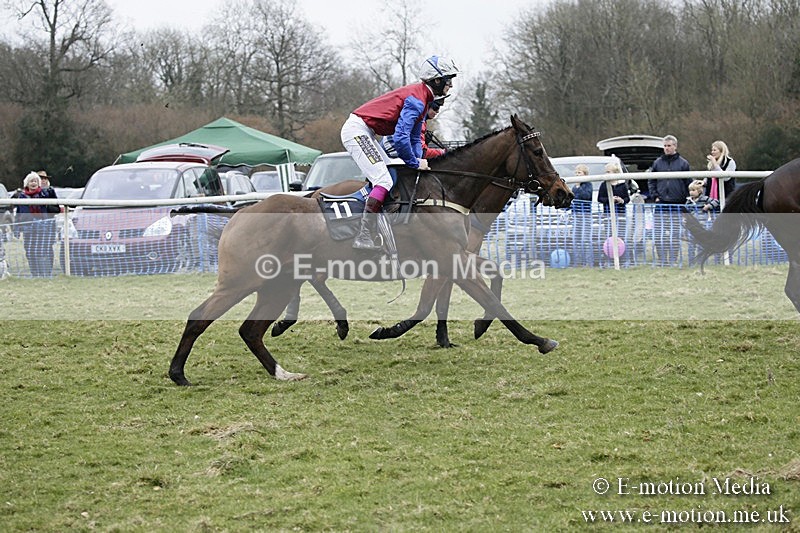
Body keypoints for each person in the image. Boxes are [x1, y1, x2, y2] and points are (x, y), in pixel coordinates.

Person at [342, 55, 458, 250]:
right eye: (449, 79)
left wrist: (418, 158)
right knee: (384, 180)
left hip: (366, 131)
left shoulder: (423, 97)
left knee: (391, 177)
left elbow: (413, 139)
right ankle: (363, 235)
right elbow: (400, 138)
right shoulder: (418, 100)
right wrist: (414, 162)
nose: (451, 85)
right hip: (357, 130)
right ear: (436, 80)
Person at [647, 135, 691, 266]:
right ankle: (662, 260)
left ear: (675, 146)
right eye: (665, 146)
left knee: (675, 233)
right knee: (659, 233)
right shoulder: (657, 163)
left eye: (669, 146)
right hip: (661, 204)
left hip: (677, 203)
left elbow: (688, 182)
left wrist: (684, 198)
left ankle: (673, 259)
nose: (666, 148)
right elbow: (651, 180)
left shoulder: (683, 163)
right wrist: (655, 196)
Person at [14, 171, 59, 277]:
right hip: (28, 228)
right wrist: (17, 228)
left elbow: (56, 207)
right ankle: (35, 273)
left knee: (44, 251)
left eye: (36, 181)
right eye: (31, 181)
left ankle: (45, 274)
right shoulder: (22, 197)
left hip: (43, 227)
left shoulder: (45, 194)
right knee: (30, 251)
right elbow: (19, 213)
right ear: (27, 183)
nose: (33, 183)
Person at [382, 95, 448, 159]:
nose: (437, 112)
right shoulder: (419, 121)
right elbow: (422, 153)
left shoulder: (421, 119)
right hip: (390, 153)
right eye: (436, 108)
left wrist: (426, 143)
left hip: (389, 149)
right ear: (427, 106)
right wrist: (442, 152)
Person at [597, 161, 629, 265]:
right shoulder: (603, 185)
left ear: (615, 173)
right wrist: (610, 199)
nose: (607, 174)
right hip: (608, 216)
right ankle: (609, 260)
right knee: (609, 239)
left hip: (620, 216)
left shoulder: (622, 186)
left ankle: (622, 260)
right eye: (606, 172)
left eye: (608, 171)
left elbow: (627, 199)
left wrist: (621, 200)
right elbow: (600, 198)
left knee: (620, 238)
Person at [570, 164, 594, 267]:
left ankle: (588, 262)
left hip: (586, 215)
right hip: (576, 215)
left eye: (579, 172)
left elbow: (586, 196)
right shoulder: (573, 187)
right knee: (576, 239)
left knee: (586, 240)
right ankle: (578, 262)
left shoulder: (588, 185)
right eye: (576, 172)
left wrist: (579, 187)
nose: (577, 174)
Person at [701, 140, 736, 208]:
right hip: (710, 198)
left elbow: (726, 178)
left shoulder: (730, 162)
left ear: (721, 151)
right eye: (712, 150)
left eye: (714, 150)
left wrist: (715, 163)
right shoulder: (711, 164)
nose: (712, 152)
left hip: (726, 197)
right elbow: (708, 178)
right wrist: (703, 182)